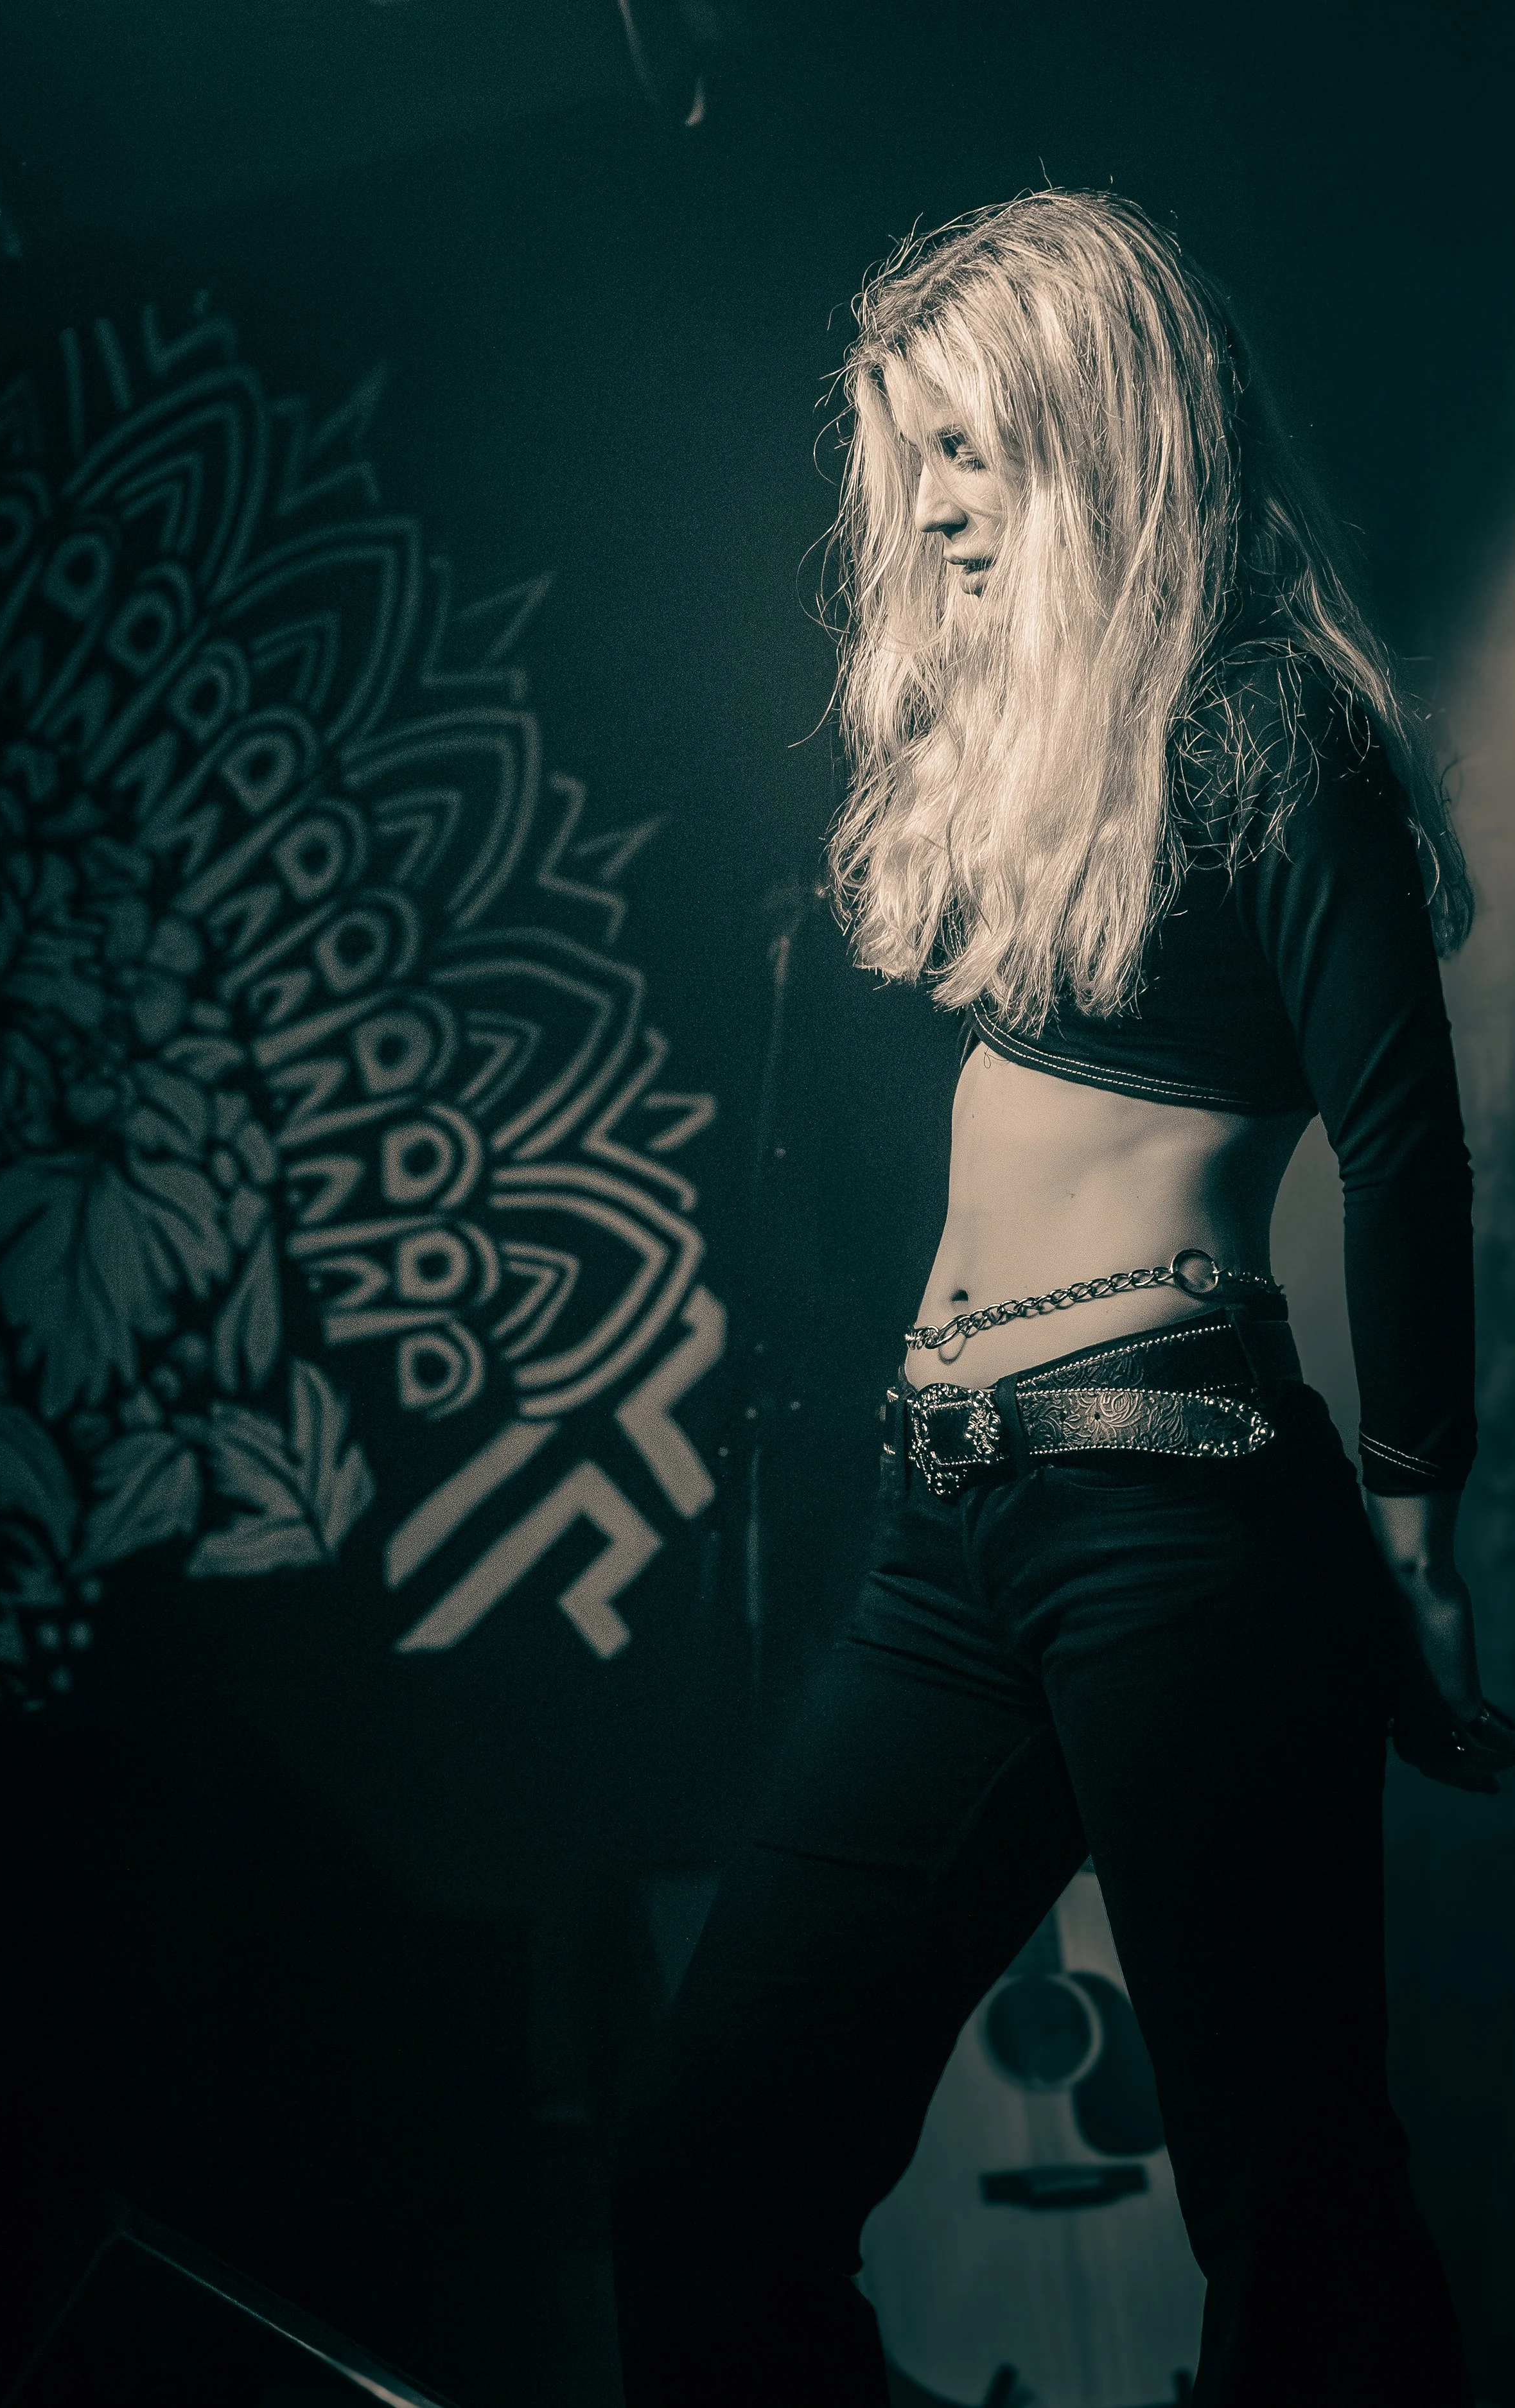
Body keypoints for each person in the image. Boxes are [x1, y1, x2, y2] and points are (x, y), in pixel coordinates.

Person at [609, 191, 1514, 2407]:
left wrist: (1413, 1513)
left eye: (969, 457)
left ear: (1104, 435)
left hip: (1178, 1514)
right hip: (954, 1532)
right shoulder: (1060, 768)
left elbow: (1401, 1138)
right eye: (900, 464)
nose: (923, 515)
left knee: (1291, 2213)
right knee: (709, 2166)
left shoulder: (1269, 725)